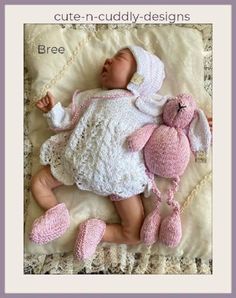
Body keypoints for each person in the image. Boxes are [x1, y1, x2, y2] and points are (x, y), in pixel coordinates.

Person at [29, 45, 167, 260]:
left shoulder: (150, 104)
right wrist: (53, 110)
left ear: (140, 75)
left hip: (120, 175)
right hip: (78, 161)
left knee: (135, 232)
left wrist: (198, 120)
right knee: (39, 182)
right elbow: (68, 120)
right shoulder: (93, 97)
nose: (107, 60)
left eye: (118, 58)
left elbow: (177, 116)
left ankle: (100, 230)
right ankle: (55, 212)